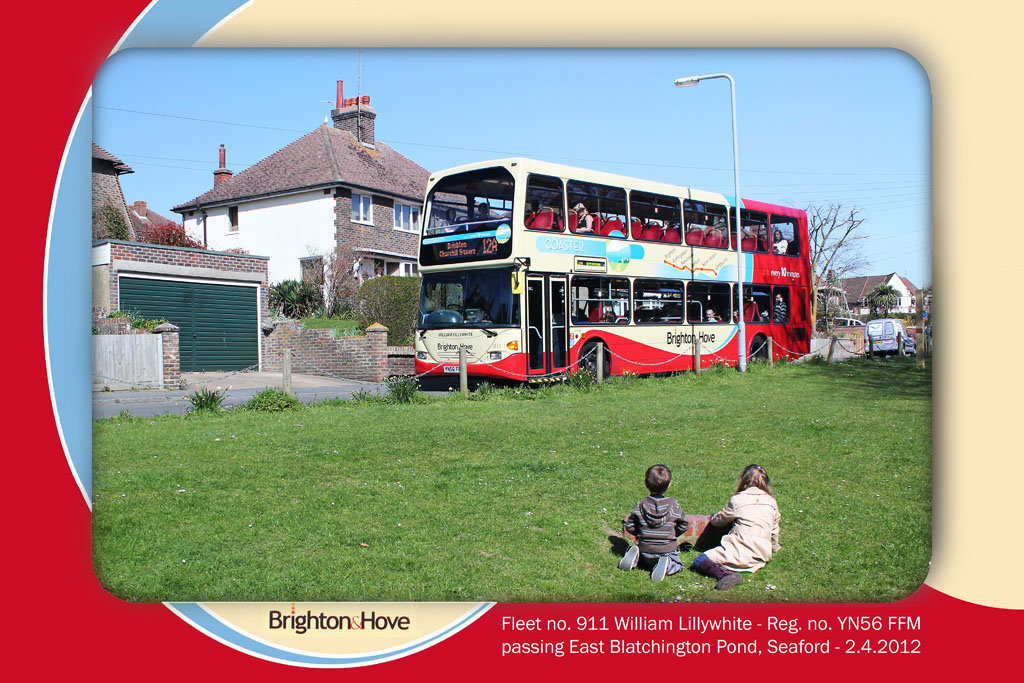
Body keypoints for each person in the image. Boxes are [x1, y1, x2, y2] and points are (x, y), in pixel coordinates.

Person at [692, 464, 781, 590]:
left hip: (739, 550)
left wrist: (713, 517)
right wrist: (774, 547)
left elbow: (718, 521)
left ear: (744, 480)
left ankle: (725, 574)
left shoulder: (737, 500)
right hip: (762, 554)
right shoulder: (772, 502)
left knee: (700, 559)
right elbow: (774, 531)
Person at [620, 464, 689, 582]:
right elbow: (684, 525)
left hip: (645, 549)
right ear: (669, 485)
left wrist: (639, 534)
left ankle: (636, 557)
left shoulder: (642, 504)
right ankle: (668, 565)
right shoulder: (673, 504)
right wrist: (673, 534)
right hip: (667, 550)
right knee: (678, 564)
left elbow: (629, 525)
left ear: (646, 484)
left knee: (644, 556)